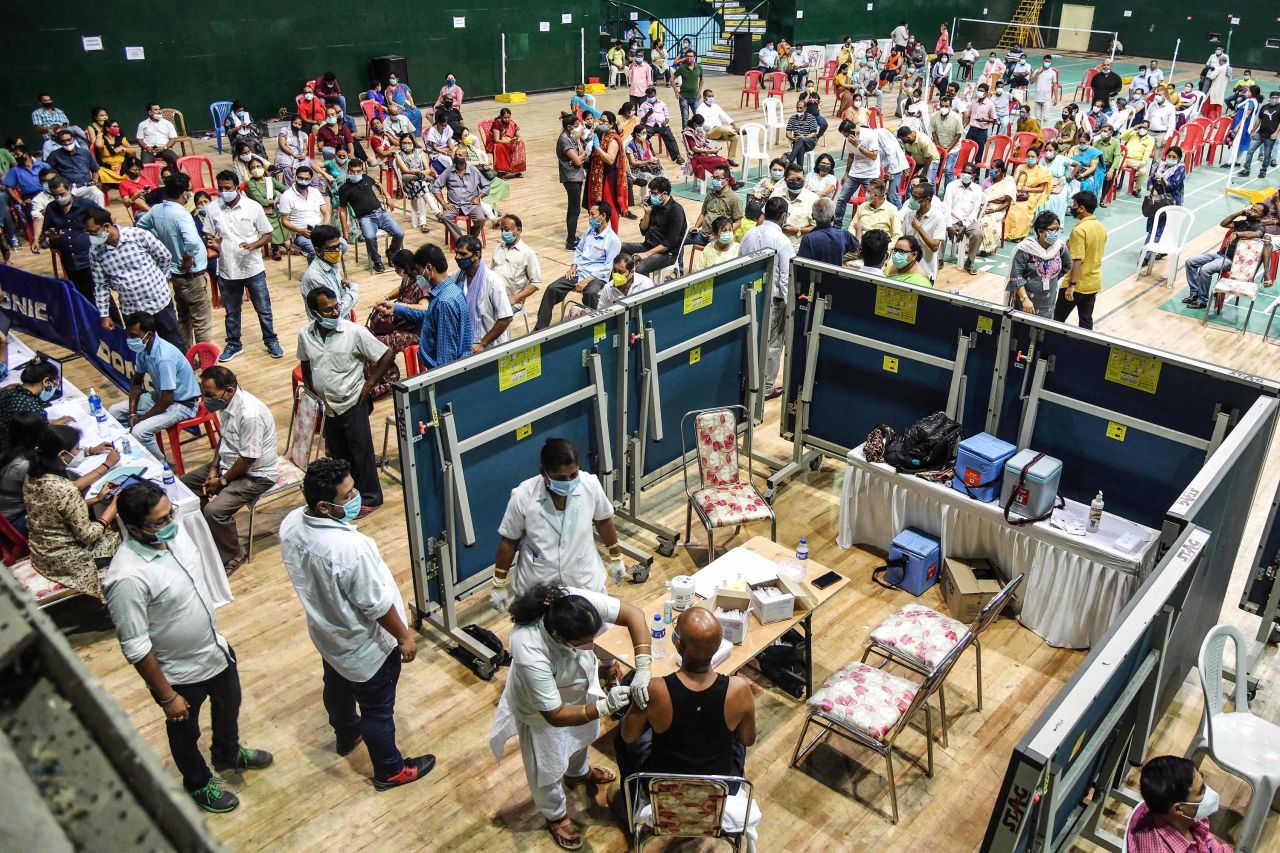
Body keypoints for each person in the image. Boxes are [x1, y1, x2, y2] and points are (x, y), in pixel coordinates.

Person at [104, 479, 271, 813]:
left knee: (229, 704)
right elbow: (135, 647)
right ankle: (197, 783)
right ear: (134, 529)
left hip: (214, 650)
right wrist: (167, 696)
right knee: (184, 732)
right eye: (160, 521)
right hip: (178, 672)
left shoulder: (175, 535)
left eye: (170, 514)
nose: (171, 525)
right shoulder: (126, 578)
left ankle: (227, 753)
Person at [280, 457, 434, 790]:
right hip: (366, 647)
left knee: (336, 687)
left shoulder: (292, 523)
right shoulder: (350, 549)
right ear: (323, 505)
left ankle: (347, 735)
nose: (356, 498)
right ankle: (390, 771)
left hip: (328, 635)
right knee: (377, 710)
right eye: (347, 496)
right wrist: (405, 637)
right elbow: (376, 605)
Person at [489, 582, 648, 850]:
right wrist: (602, 709)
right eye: (584, 642)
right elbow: (555, 715)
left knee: (581, 737)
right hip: (540, 713)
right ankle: (556, 815)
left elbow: (634, 615)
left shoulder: (573, 604)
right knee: (547, 768)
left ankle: (577, 774)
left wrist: (643, 666)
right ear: (558, 637)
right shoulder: (529, 648)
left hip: (576, 691)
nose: (592, 645)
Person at [615, 606, 758, 834]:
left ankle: (630, 803)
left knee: (620, 738)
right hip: (721, 786)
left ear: (678, 644)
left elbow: (628, 735)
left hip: (663, 787)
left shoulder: (657, 689)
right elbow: (747, 739)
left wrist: (634, 703)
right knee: (735, 736)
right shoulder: (739, 690)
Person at [490, 436, 628, 609]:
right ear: (543, 471)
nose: (569, 482)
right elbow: (509, 541)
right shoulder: (523, 496)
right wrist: (499, 583)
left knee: (585, 631)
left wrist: (616, 556)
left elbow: (603, 520)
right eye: (561, 478)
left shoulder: (590, 485)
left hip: (583, 581)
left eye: (574, 475)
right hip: (538, 586)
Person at [167, 365, 275, 576]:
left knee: (214, 512)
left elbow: (249, 458)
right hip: (229, 463)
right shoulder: (225, 405)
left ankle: (234, 553)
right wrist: (214, 468)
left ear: (229, 391)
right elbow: (224, 439)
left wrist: (222, 481)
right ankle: (207, 535)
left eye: (209, 395)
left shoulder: (250, 414)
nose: (204, 400)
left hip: (255, 474)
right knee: (183, 486)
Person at [299, 288, 396, 513]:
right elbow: (305, 361)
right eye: (328, 310)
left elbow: (386, 355)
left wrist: (369, 385)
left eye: (336, 307)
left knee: (361, 452)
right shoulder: (305, 335)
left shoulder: (353, 332)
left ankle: (371, 498)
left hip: (352, 401)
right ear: (315, 312)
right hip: (328, 406)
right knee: (339, 453)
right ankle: (348, 496)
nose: (335, 312)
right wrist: (311, 391)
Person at [23, 423, 122, 600]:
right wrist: (114, 506)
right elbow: (88, 535)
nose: (78, 452)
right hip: (66, 559)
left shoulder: (33, 477)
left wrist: (97, 499)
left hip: (42, 550)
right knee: (122, 537)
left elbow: (58, 511)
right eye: (76, 449)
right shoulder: (64, 489)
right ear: (62, 455)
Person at [206, 171, 281, 362]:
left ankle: (271, 341)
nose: (224, 192)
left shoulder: (253, 207)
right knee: (231, 311)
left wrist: (254, 245)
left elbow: (267, 234)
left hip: (252, 268)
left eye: (227, 188)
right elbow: (208, 235)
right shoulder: (212, 209)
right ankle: (234, 344)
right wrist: (213, 243)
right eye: (220, 188)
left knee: (263, 309)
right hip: (227, 269)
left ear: (237, 187)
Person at [84, 208, 184, 350]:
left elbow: (164, 256)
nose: (91, 236)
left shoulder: (138, 235)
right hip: (132, 310)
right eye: (88, 233)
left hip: (159, 302)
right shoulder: (95, 252)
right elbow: (101, 285)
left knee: (173, 343)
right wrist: (104, 315)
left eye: (93, 232)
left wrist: (159, 279)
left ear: (106, 226)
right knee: (143, 350)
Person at [107, 312, 200, 458]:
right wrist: (132, 413)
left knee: (140, 431)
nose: (130, 340)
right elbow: (137, 382)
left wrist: (141, 419)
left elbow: (167, 400)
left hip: (183, 404)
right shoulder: (143, 350)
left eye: (133, 336)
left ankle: (164, 467)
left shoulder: (164, 357)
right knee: (114, 412)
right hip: (161, 396)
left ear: (149, 334)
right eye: (129, 335)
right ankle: (131, 453)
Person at [137, 175, 213, 349]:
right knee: (201, 321)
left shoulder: (156, 210)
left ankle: (186, 356)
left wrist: (160, 243)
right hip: (190, 274)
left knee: (183, 317)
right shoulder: (181, 215)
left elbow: (141, 226)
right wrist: (188, 255)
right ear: (185, 194)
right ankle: (205, 358)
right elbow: (193, 242)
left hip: (174, 273)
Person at [377, 243, 472, 369]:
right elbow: (427, 314)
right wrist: (396, 308)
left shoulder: (444, 302)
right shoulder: (451, 290)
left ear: (429, 269)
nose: (418, 277)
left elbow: (447, 354)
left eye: (419, 271)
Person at [739, 197, 794, 400]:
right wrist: (790, 307)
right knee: (772, 344)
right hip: (774, 302)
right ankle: (767, 387)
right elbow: (786, 277)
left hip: (750, 298)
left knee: (750, 339)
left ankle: (746, 381)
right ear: (784, 216)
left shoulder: (749, 234)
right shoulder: (783, 241)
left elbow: (740, 265)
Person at [536, 202, 620, 329]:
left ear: (603, 216)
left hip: (597, 276)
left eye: (592, 214)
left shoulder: (613, 240)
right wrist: (573, 266)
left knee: (590, 293)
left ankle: (594, 325)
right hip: (579, 271)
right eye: (589, 214)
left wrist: (586, 281)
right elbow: (579, 250)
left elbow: (607, 267)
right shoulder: (589, 231)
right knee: (552, 288)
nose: (589, 218)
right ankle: (540, 328)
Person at [1126, 755, 1232, 852]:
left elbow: (1209, 843)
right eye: (1201, 791)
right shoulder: (1158, 849)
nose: (1208, 793)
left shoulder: (1169, 808)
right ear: (1178, 809)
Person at [1183, 203, 1279, 309]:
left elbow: (1257, 234)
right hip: (1220, 255)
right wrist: (1239, 213)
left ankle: (1202, 300)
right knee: (1190, 262)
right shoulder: (1243, 223)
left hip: (1231, 261)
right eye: (1251, 209)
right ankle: (1194, 293)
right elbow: (1223, 224)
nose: (1251, 211)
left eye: (1255, 211)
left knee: (1205, 270)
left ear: (1261, 217)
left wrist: (1238, 234)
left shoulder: (1259, 227)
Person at [335, 158, 402, 275]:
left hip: (381, 213)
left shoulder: (366, 178)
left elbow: (377, 184)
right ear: (348, 171)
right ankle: (376, 260)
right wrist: (345, 231)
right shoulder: (344, 188)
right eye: (353, 172)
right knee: (370, 237)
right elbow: (343, 210)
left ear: (362, 170)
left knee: (399, 233)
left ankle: (392, 252)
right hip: (365, 218)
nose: (356, 174)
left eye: (358, 171)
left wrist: (387, 196)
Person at [41, 176, 103, 301]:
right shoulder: (51, 209)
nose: (59, 198)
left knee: (102, 296)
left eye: (62, 194)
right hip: (70, 262)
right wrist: (49, 235)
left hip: (90, 260)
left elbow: (107, 220)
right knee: (83, 298)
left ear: (69, 189)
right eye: (55, 196)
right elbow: (46, 232)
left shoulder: (86, 205)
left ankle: (114, 320)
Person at [1054, 191, 1104, 329]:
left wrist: (1071, 285)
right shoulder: (1100, 226)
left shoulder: (1079, 230)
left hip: (1077, 285)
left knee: (1056, 320)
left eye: (1074, 205)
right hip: (1093, 283)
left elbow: (1078, 260)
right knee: (1086, 321)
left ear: (1081, 208)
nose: (1072, 208)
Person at [1005, 211, 1071, 317]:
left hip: (1048, 303)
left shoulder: (1060, 247)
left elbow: (1067, 265)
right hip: (1026, 304)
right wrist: (1024, 299)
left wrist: (1051, 278)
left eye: (1057, 229)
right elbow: (1016, 276)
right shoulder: (1026, 249)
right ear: (1040, 231)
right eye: (1052, 229)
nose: (1055, 233)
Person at [0, 356, 71, 453]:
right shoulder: (34, 410)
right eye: (55, 383)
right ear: (46, 382)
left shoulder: (10, 391)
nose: (55, 387)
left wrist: (47, 421)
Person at [621, 177, 686, 276]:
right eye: (651, 193)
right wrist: (647, 214)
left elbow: (669, 243)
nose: (651, 196)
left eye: (654, 193)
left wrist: (646, 254)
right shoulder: (654, 205)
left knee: (639, 268)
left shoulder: (676, 211)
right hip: (648, 246)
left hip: (666, 254)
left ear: (664, 194)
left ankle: (645, 289)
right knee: (619, 248)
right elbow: (643, 230)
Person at [0, 412, 44, 534]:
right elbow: (53, 492)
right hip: (15, 520)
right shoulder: (23, 465)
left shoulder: (7, 450)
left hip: (7, 513)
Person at [433, 151, 490, 242]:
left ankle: (472, 238)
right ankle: (461, 241)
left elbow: (486, 186)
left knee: (480, 219)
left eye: (460, 155)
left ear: (466, 158)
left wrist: (479, 198)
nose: (456, 156)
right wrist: (444, 204)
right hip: (454, 205)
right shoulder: (448, 171)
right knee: (445, 217)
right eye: (456, 154)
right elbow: (436, 187)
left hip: (471, 205)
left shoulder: (474, 171)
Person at [279, 164, 331, 262]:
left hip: (319, 230)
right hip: (300, 234)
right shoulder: (287, 196)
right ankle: (314, 275)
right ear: (295, 177)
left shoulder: (315, 191)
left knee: (341, 245)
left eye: (307, 179)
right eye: (300, 178)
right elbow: (284, 221)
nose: (303, 181)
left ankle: (327, 272)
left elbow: (326, 212)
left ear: (311, 180)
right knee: (314, 250)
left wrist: (324, 225)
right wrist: (299, 230)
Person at [1142, 146, 1186, 263]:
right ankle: (1149, 251)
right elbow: (1150, 180)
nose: (1171, 158)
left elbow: (1173, 185)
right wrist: (1153, 189)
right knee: (1152, 226)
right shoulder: (1160, 165)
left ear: (1179, 158)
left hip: (1169, 203)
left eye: (1174, 157)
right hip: (1156, 202)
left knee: (1161, 227)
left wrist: (1162, 180)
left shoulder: (1180, 169)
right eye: (1169, 156)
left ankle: (1147, 256)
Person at [833, 122, 881, 225]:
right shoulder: (848, 138)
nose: (846, 138)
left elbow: (873, 156)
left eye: (846, 135)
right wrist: (846, 173)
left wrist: (858, 145)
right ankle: (837, 225)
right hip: (854, 173)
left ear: (853, 131)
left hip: (870, 174)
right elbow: (851, 155)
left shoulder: (870, 135)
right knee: (841, 199)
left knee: (872, 201)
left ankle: (871, 226)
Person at [896, 183, 946, 281]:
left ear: (928, 199)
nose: (912, 200)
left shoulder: (938, 218)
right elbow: (902, 237)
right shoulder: (909, 213)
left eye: (916, 198)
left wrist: (919, 228)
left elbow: (935, 247)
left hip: (925, 271)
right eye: (912, 196)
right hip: (906, 266)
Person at [944, 162, 986, 275]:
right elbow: (946, 208)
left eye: (969, 173)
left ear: (974, 176)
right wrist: (948, 226)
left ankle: (969, 262)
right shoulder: (951, 186)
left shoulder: (977, 189)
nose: (966, 175)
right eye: (964, 172)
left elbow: (974, 212)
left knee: (978, 234)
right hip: (951, 219)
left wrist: (964, 227)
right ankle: (938, 259)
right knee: (940, 230)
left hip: (968, 221)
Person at [492, 214, 543, 307]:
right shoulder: (498, 248)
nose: (503, 233)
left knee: (493, 319)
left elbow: (536, 283)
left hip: (510, 302)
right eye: (502, 230)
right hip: (492, 297)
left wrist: (515, 298)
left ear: (518, 230)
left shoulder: (528, 253)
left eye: (506, 229)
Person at [557, 113, 590, 251]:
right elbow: (577, 160)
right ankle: (570, 242)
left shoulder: (569, 136)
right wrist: (587, 152)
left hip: (576, 176)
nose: (579, 128)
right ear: (569, 127)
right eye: (577, 126)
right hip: (571, 178)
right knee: (574, 210)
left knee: (573, 209)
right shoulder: (564, 140)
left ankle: (572, 237)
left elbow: (577, 152)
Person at [243, 158, 287, 260]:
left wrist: (289, 196)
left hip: (276, 209)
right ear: (250, 171)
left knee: (285, 220)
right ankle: (275, 249)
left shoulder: (270, 180)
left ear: (263, 167)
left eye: (258, 166)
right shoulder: (252, 184)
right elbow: (262, 201)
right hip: (262, 211)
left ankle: (283, 243)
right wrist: (277, 201)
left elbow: (284, 189)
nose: (256, 169)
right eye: (252, 168)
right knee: (271, 227)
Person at [394, 134, 438, 235]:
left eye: (409, 143)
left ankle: (423, 223)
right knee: (422, 185)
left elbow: (427, 169)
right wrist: (419, 173)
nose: (406, 145)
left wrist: (418, 173)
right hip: (409, 184)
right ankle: (436, 212)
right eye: (404, 143)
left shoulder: (420, 152)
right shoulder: (399, 155)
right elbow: (405, 171)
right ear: (401, 144)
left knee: (421, 186)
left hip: (422, 181)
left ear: (413, 143)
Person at [689, 165, 744, 245]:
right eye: (713, 178)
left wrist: (719, 235)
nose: (715, 180)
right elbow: (703, 213)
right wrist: (696, 227)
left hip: (719, 240)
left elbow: (738, 223)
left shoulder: (734, 199)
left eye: (718, 178)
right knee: (680, 239)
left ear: (726, 180)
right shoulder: (710, 194)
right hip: (703, 235)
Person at [45, 128, 103, 203]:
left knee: (97, 193)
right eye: (63, 141)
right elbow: (48, 172)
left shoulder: (85, 153)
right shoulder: (54, 155)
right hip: (68, 188)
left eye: (69, 140)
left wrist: (94, 180)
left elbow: (95, 169)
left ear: (73, 138)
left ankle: (101, 214)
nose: (67, 143)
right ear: (60, 142)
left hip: (86, 185)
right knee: (66, 200)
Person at [797, 197, 858, 265]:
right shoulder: (844, 235)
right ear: (833, 217)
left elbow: (800, 264)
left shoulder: (808, 239)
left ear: (813, 216)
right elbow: (857, 247)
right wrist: (859, 230)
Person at [771, 161, 818, 247]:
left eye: (799, 179)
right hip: (774, 243)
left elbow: (818, 228)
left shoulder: (813, 199)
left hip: (798, 247)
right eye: (792, 179)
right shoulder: (776, 193)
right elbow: (764, 216)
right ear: (785, 180)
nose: (796, 182)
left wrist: (797, 230)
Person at [637, 88, 685, 166]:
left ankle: (677, 157)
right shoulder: (643, 106)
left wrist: (665, 122)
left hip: (661, 124)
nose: (650, 98)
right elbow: (642, 121)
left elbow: (667, 116)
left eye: (652, 95)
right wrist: (647, 114)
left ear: (655, 94)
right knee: (643, 137)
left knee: (670, 137)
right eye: (649, 96)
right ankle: (649, 152)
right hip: (649, 125)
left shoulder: (662, 104)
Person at [1239, 90, 1280, 178]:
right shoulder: (1264, 107)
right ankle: (1246, 169)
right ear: (1269, 98)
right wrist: (1254, 131)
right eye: (1272, 98)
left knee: (1267, 155)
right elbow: (1259, 119)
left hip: (1270, 136)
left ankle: (1263, 171)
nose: (1274, 99)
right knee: (1250, 151)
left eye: (1276, 98)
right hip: (1260, 134)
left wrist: (1276, 133)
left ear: (1278, 98)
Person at [695, 89, 740, 164]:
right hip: (709, 133)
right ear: (704, 97)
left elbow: (725, 116)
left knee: (735, 137)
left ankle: (730, 159)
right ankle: (736, 131)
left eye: (712, 96)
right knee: (720, 128)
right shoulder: (700, 109)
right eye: (709, 96)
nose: (711, 98)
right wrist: (715, 127)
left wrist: (734, 124)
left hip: (721, 132)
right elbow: (703, 123)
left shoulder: (716, 106)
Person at [850, 179, 900, 243]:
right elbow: (852, 226)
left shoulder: (892, 210)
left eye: (868, 191)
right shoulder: (863, 206)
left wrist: (887, 249)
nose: (866, 194)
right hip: (859, 242)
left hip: (879, 248)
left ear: (876, 195)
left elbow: (897, 235)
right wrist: (854, 242)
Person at [136, 103, 179, 169]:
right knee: (144, 166)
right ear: (150, 112)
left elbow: (173, 138)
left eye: (159, 109)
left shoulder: (167, 123)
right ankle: (149, 179)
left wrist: (164, 147)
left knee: (177, 162)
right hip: (149, 150)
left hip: (164, 148)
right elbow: (139, 139)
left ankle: (174, 177)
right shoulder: (142, 124)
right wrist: (146, 147)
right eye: (156, 110)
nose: (159, 111)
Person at [274, 115, 312, 186]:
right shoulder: (284, 130)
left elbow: (305, 149)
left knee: (309, 163)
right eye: (295, 123)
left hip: (298, 155)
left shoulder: (303, 135)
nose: (297, 125)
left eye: (299, 124)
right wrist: (294, 154)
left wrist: (303, 154)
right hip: (284, 153)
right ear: (291, 122)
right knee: (287, 167)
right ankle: (289, 187)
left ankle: (306, 185)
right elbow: (282, 145)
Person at [1068, 130, 1105, 202]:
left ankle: (1083, 205)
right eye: (1080, 143)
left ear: (1089, 142)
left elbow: (1093, 167)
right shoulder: (1074, 148)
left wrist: (1082, 175)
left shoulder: (1094, 152)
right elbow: (1069, 161)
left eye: (1084, 143)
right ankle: (1070, 204)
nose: (1081, 144)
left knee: (1086, 185)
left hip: (1087, 175)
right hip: (1072, 171)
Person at [489, 108, 526, 177]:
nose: (507, 119)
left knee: (521, 143)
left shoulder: (511, 123)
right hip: (499, 142)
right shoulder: (497, 123)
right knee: (499, 147)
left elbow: (519, 136)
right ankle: (501, 171)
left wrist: (517, 139)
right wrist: (509, 141)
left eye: (509, 117)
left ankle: (517, 170)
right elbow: (497, 140)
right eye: (505, 118)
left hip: (509, 141)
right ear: (501, 116)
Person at [785, 97, 820, 166]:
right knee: (801, 147)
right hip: (797, 142)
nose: (799, 110)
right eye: (797, 108)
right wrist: (792, 138)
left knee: (801, 139)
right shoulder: (792, 118)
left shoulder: (811, 118)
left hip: (809, 141)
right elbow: (788, 133)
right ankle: (800, 170)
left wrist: (804, 137)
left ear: (805, 108)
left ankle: (790, 159)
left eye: (801, 108)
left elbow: (814, 133)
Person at [964, 84, 998, 152]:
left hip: (981, 132)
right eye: (978, 90)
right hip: (971, 130)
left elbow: (995, 120)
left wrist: (984, 120)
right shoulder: (974, 102)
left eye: (981, 91)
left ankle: (977, 162)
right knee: (965, 150)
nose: (979, 92)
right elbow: (969, 116)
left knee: (979, 152)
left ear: (986, 93)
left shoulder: (990, 105)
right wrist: (963, 127)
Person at [1205, 56, 1231, 121]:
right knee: (1219, 106)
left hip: (1215, 89)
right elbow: (1230, 78)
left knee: (1211, 105)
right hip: (1222, 90)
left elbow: (1211, 76)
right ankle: (1217, 122)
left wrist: (1213, 71)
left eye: (1219, 61)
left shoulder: (1220, 68)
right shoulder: (1229, 69)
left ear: (1221, 61)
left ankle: (1210, 120)